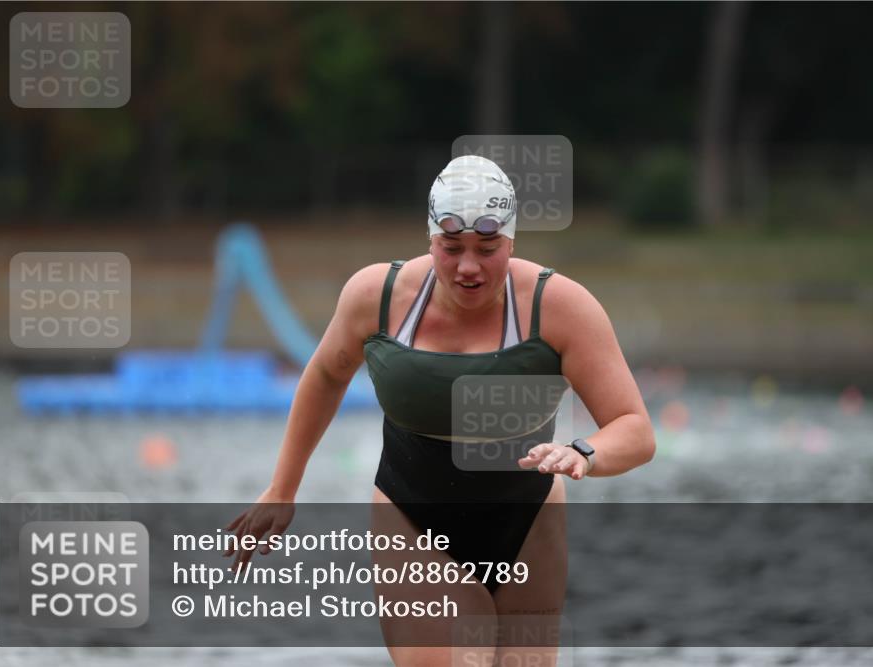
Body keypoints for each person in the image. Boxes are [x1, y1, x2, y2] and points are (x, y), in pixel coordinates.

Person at [226, 155, 656, 666]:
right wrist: (283, 489)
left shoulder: (560, 307)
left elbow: (634, 429)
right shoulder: (378, 297)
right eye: (451, 248)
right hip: (412, 516)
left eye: (487, 249)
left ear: (512, 242)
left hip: (529, 520)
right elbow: (324, 374)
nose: (468, 266)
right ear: (430, 239)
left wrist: (584, 452)